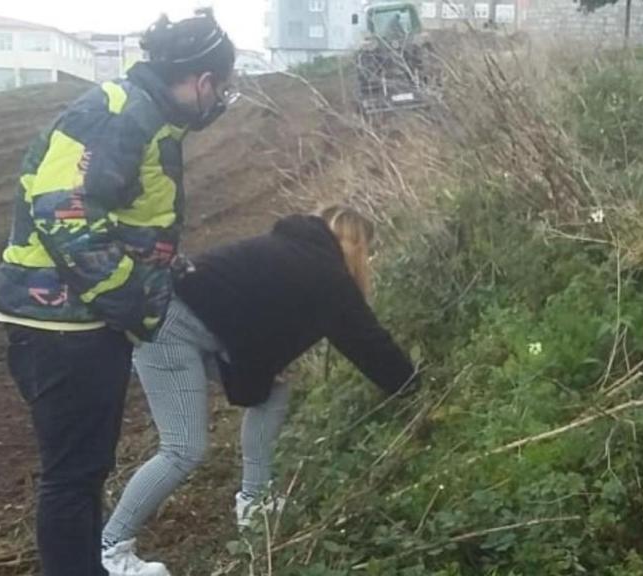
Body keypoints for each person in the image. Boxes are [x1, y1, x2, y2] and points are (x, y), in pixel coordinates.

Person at [0, 9, 237, 576]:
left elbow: (130, 215)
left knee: (85, 469)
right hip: (61, 327)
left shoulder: (149, 117)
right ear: (203, 82)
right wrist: (127, 295)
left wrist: (159, 271)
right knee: (72, 476)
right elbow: (61, 208)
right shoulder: (121, 115)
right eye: (222, 87)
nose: (221, 99)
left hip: (80, 323)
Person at [99, 206, 418, 575]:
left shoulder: (289, 247)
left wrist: (259, 372)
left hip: (189, 321)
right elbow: (368, 342)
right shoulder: (327, 275)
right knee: (183, 449)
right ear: (357, 245)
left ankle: (255, 502)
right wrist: (411, 386)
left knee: (273, 390)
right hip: (167, 329)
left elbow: (251, 321)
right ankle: (109, 549)